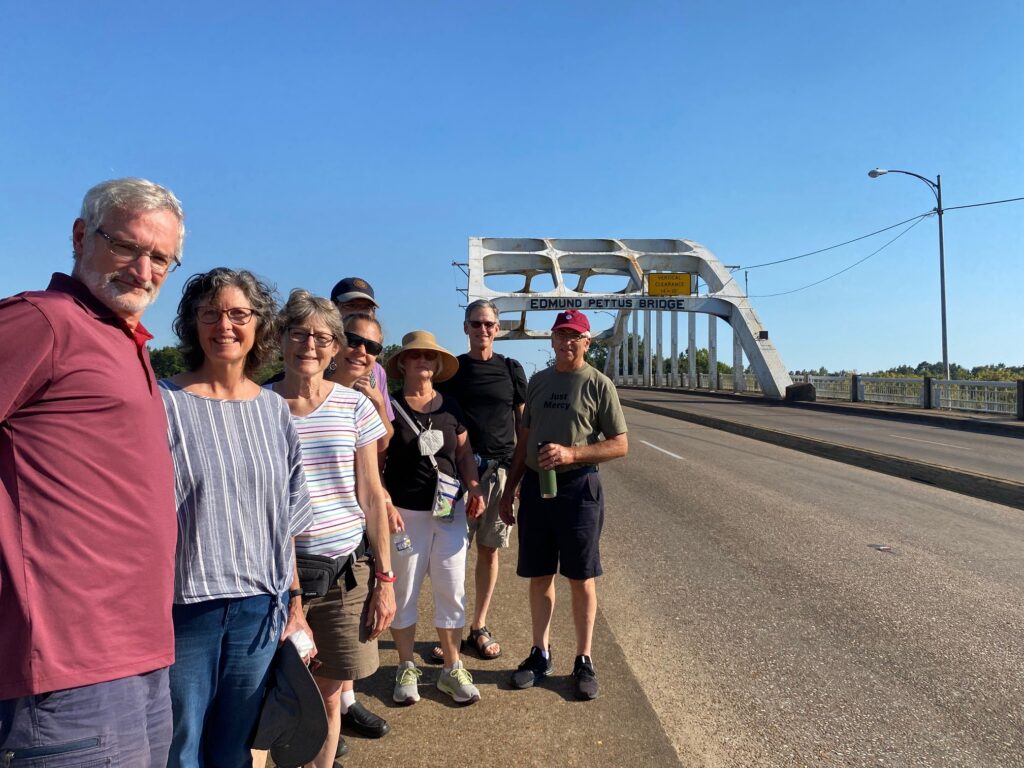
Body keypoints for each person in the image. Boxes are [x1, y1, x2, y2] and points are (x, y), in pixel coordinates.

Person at [0, 178, 183, 765]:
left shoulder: (125, 340)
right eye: (127, 246)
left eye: (161, 258)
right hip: (66, 662)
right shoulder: (42, 322)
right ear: (81, 236)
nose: (143, 268)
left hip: (141, 652)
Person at [160, 268, 314, 766]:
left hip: (259, 611)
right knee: (180, 747)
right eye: (210, 313)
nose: (223, 325)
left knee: (235, 747)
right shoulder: (162, 402)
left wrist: (293, 600)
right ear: (192, 324)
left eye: (237, 314)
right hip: (184, 609)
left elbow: (286, 518)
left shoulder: (273, 409)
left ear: (258, 325)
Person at [269, 291, 396, 767]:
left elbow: (371, 496)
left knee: (328, 692)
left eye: (322, 337)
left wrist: (384, 580)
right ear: (281, 339)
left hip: (342, 573)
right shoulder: (259, 404)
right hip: (276, 577)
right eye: (299, 333)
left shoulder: (354, 407)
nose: (310, 345)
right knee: (274, 692)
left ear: (335, 347)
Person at [499, 310, 628, 701]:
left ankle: (584, 659)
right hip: (538, 488)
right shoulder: (538, 382)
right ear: (551, 341)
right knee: (540, 575)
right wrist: (510, 490)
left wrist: (573, 454)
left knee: (580, 577)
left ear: (587, 343)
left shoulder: (598, 384)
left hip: (578, 489)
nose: (567, 342)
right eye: (561, 335)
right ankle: (540, 653)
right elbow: (524, 442)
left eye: (575, 336)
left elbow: (620, 444)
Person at [383, 331, 486, 705]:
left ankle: (451, 668)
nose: (423, 362)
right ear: (404, 364)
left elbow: (463, 454)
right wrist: (385, 502)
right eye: (416, 356)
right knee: (404, 590)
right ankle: (406, 665)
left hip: (448, 510)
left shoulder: (451, 407)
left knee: (451, 587)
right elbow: (377, 462)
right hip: (406, 512)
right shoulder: (389, 406)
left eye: (430, 357)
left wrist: (474, 488)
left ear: (437, 365)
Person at [435, 299, 527, 661]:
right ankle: (449, 629)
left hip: (499, 473)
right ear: (465, 328)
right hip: (454, 477)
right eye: (476, 324)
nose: (482, 330)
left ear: (497, 329)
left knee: (489, 550)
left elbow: (523, 425)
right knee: (448, 554)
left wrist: (518, 478)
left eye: (489, 324)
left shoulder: (511, 369)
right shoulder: (453, 371)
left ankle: (479, 625)